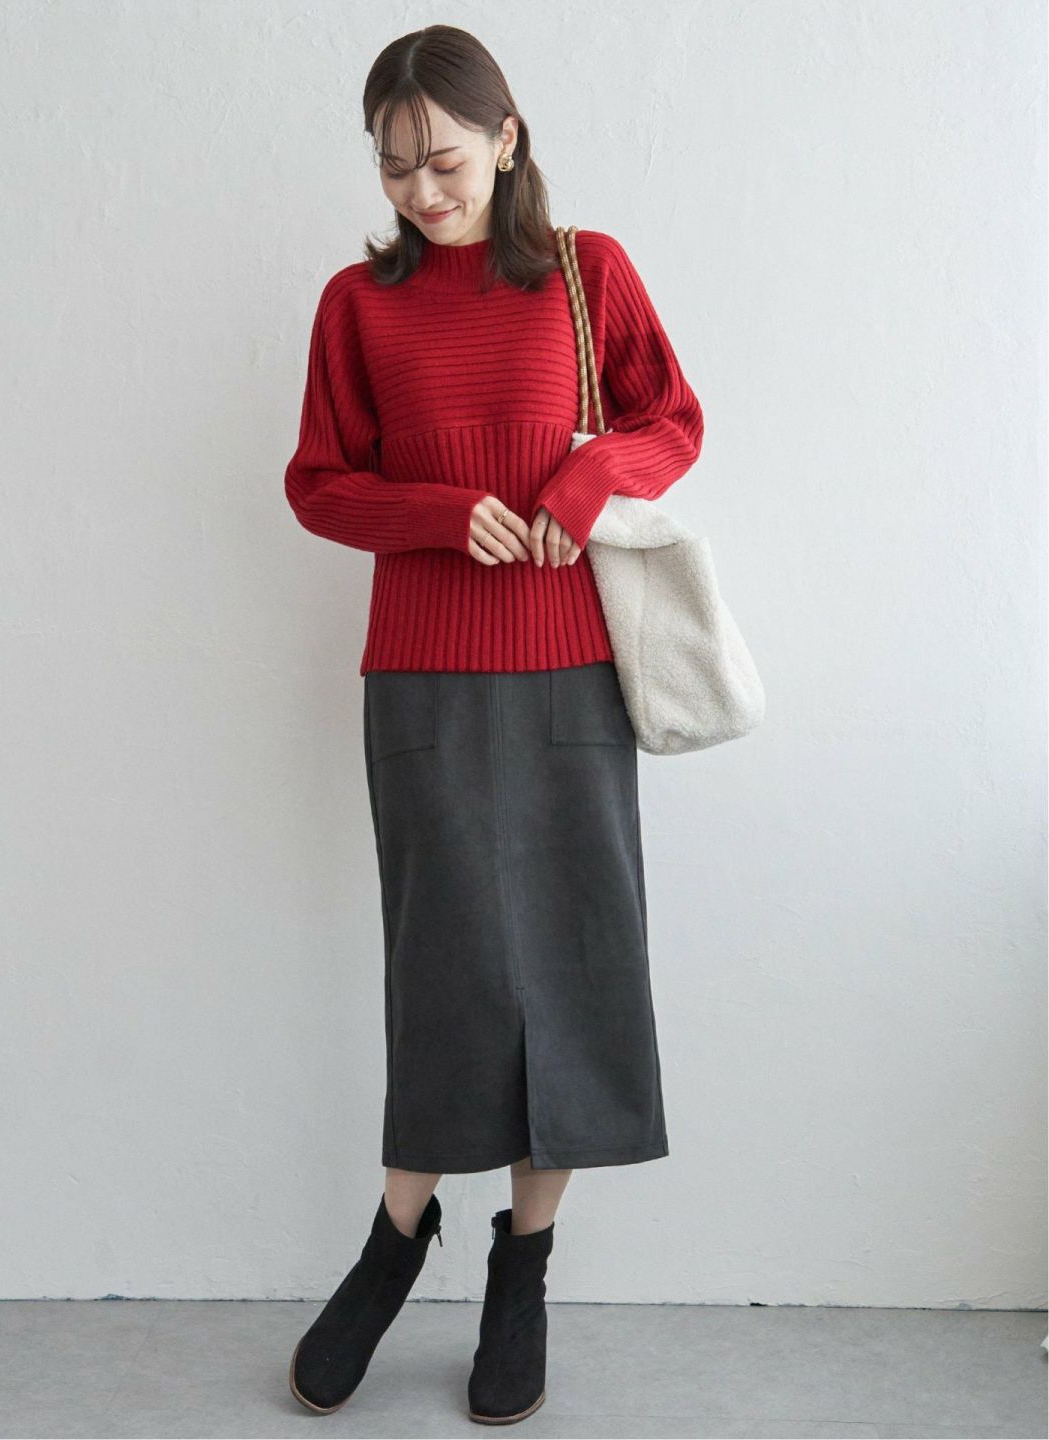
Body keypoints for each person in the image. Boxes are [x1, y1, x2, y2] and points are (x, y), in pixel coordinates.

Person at [282, 23, 703, 1427]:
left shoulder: (589, 273)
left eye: (445, 160)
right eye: (394, 166)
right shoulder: (358, 305)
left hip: (572, 668)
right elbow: (318, 483)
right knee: (446, 964)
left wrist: (584, 485)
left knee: (570, 966)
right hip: (420, 673)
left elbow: (672, 419)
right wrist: (434, 514)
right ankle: (397, 1238)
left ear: (506, 139)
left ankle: (524, 1269)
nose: (422, 191)